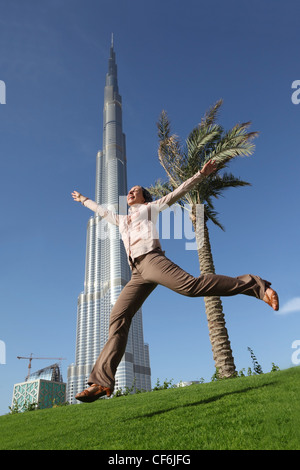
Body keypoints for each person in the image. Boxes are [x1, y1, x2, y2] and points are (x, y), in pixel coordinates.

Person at [71, 159, 279, 403]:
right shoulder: (122, 220)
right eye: (130, 190)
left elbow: (178, 192)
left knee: (191, 287)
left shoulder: (150, 208)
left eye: (135, 190)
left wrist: (200, 174)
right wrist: (84, 199)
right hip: (137, 273)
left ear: (144, 198)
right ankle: (101, 382)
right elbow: (102, 211)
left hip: (152, 261)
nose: (131, 192)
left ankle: (256, 285)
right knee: (118, 317)